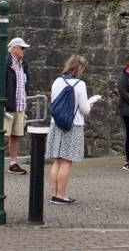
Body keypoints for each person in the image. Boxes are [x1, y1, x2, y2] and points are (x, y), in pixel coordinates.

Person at [47, 54, 99, 204]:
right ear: (79, 67)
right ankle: (61, 195)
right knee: (66, 161)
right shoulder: (80, 85)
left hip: (56, 123)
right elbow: (84, 109)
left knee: (57, 160)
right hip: (73, 124)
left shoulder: (57, 81)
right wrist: (90, 106)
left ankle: (55, 193)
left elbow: (54, 102)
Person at [0, 37, 30, 176]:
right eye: (22, 48)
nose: (24, 51)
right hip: (7, 106)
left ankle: (13, 163)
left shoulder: (23, 64)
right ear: (14, 48)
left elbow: (26, 80)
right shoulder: (5, 63)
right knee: (0, 134)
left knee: (16, 135)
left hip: (20, 105)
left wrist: (26, 92)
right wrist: (1, 103)